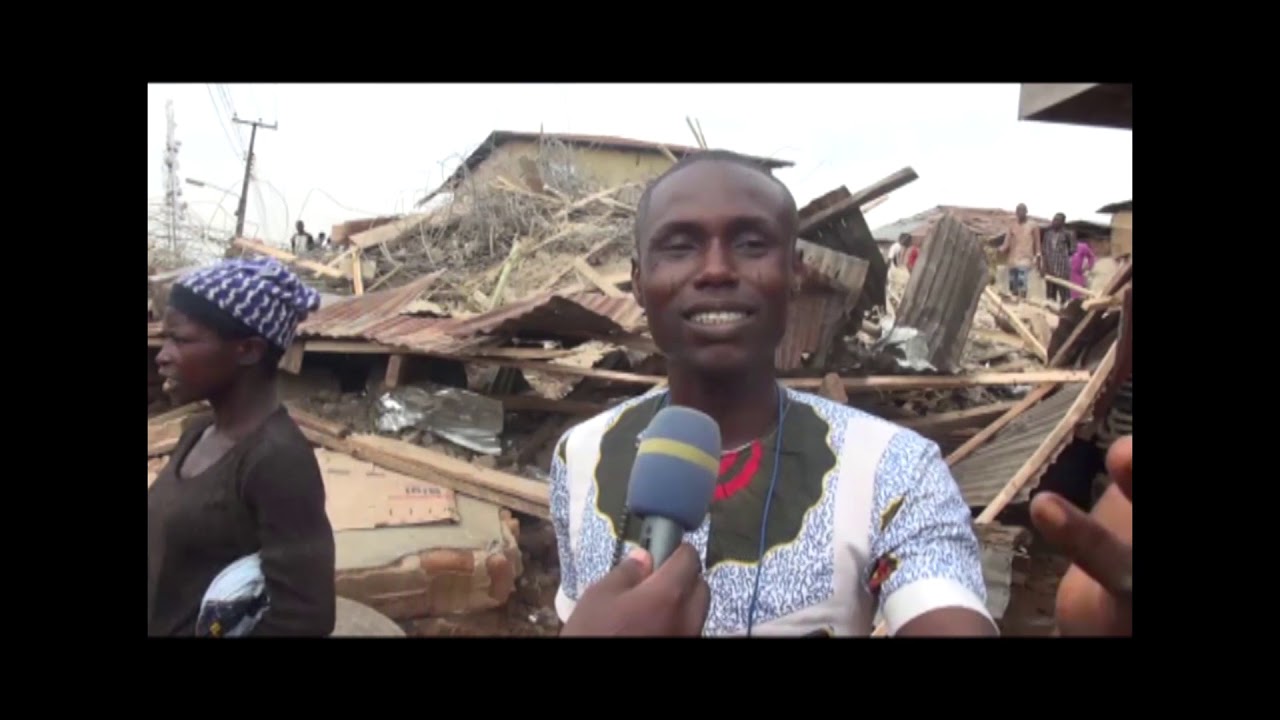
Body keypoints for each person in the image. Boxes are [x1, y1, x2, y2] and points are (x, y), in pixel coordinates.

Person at [551, 151, 998, 637]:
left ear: (796, 273)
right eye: (680, 247)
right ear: (638, 281)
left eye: (750, 244)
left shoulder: (893, 470)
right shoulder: (579, 455)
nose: (717, 270)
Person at [147, 257, 336, 637]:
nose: (162, 355)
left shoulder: (277, 461)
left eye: (180, 339)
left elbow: (304, 617)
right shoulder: (198, 433)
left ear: (248, 350)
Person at [999, 204, 1040, 299]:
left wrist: (1038, 257)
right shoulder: (1012, 225)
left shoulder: (1033, 226)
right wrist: (1000, 250)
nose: (1020, 213)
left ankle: (1022, 302)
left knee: (1022, 281)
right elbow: (1006, 243)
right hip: (1013, 259)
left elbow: (1037, 244)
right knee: (1013, 283)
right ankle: (1015, 302)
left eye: (1022, 211)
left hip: (1026, 258)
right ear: (1016, 213)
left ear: (1026, 212)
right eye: (1018, 211)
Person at [1041, 213, 1075, 305]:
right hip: (1049, 269)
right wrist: (1043, 267)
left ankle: (1065, 314)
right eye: (1054, 219)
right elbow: (1044, 251)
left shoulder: (1068, 234)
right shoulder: (1047, 234)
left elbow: (1073, 250)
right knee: (1050, 296)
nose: (1054, 222)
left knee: (1065, 295)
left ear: (1063, 222)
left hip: (1062, 269)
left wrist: (1061, 255)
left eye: (1057, 220)